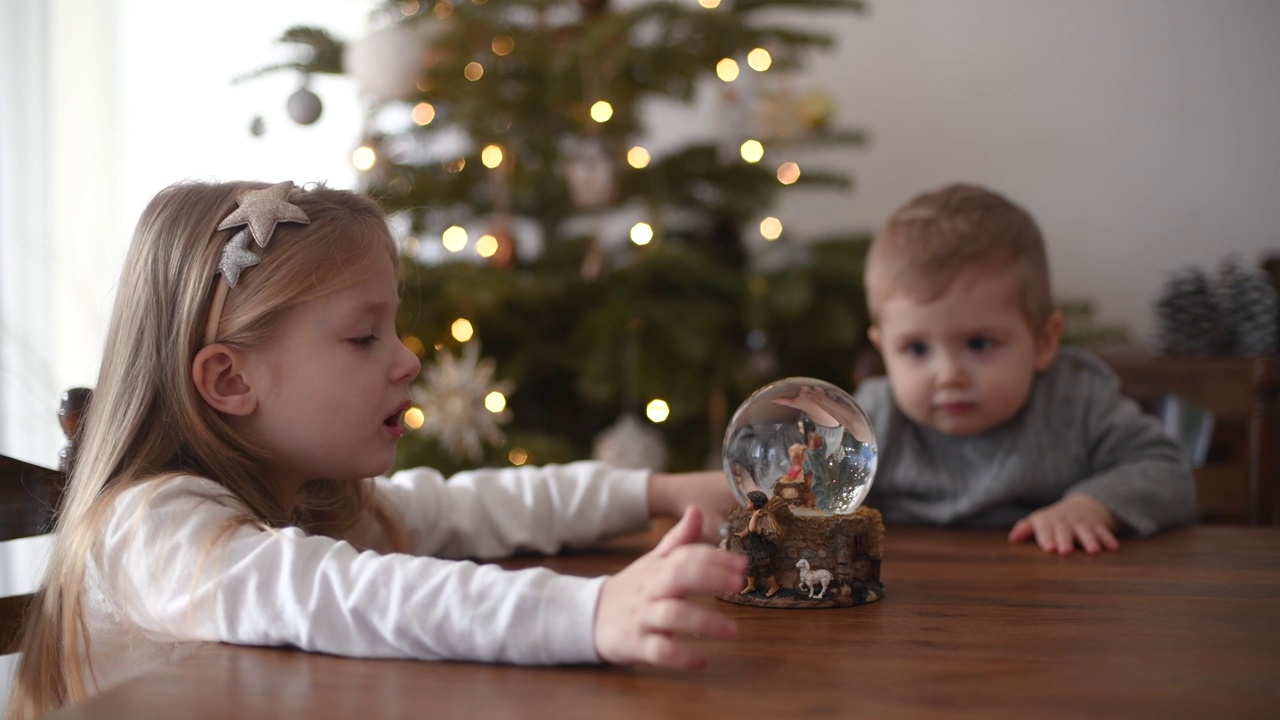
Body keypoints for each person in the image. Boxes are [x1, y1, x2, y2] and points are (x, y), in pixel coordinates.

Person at [6, 181, 744, 719]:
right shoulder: (153, 531)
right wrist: (589, 613)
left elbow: (459, 506)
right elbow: (355, 597)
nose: (406, 361)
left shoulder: (303, 493)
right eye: (364, 337)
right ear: (230, 378)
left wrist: (655, 493)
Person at [854, 183, 1196, 555]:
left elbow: (1168, 470)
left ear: (1044, 342)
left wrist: (1093, 505)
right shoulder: (873, 419)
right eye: (917, 348)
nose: (949, 375)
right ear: (884, 350)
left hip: (1052, 592)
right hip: (916, 595)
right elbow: (815, 488)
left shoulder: (1074, 400)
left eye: (979, 344)